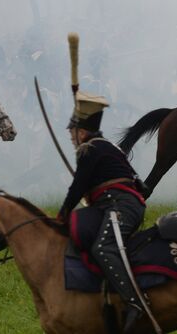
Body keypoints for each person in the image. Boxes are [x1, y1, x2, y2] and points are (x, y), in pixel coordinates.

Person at [57, 91, 146, 333]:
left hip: (120, 206)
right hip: (114, 204)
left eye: (72, 131)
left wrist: (63, 212)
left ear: (82, 132)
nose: (70, 136)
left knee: (103, 247)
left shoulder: (90, 149)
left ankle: (134, 303)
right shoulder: (105, 146)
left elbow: (78, 186)